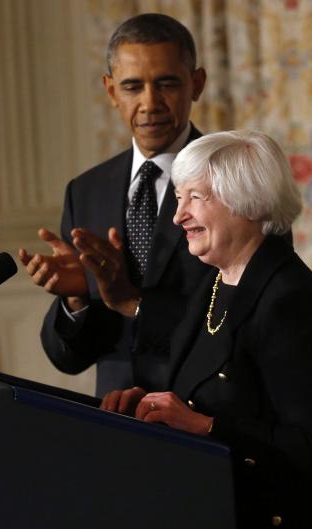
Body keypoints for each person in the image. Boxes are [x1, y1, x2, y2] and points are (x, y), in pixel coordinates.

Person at [126, 130, 312, 529]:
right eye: (178, 197)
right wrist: (148, 406)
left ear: (245, 201)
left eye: (194, 197)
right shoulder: (214, 283)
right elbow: (195, 391)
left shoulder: (292, 302)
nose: (177, 216)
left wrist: (204, 425)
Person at [18, 13, 210, 399]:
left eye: (167, 83)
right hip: (115, 419)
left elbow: (248, 326)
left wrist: (132, 301)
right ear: (110, 92)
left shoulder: (237, 184)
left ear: (196, 84)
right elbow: (68, 359)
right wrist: (76, 300)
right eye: (132, 86)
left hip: (202, 415)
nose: (149, 103)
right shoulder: (86, 190)